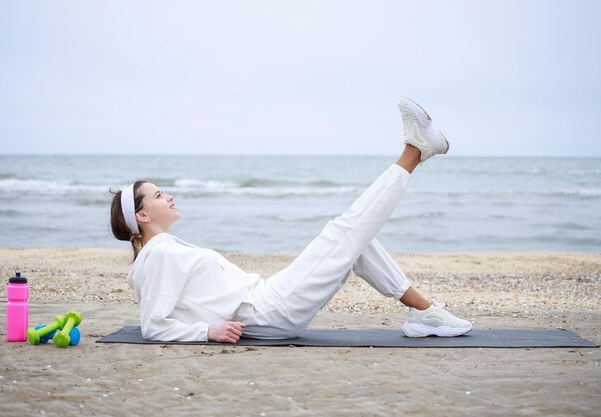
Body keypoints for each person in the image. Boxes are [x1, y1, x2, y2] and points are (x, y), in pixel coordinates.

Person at [110, 97, 472, 343]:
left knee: (354, 242)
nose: (168, 196)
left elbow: (169, 312)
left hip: (268, 299)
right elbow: (153, 325)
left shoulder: (164, 249)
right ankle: (414, 151)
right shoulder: (156, 255)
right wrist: (208, 332)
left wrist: (205, 326)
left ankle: (426, 314)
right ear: (142, 215)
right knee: (343, 231)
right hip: (267, 312)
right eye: (158, 196)